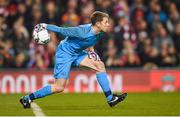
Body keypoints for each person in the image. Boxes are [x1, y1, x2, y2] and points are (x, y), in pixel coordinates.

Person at [20, 11, 127, 108]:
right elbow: (61, 30)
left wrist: (91, 51)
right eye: (106, 22)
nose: (108, 24)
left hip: (78, 53)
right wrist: (44, 26)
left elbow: (90, 42)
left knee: (100, 66)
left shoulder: (100, 32)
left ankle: (110, 99)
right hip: (65, 53)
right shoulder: (82, 31)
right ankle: (28, 98)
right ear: (98, 24)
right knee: (59, 87)